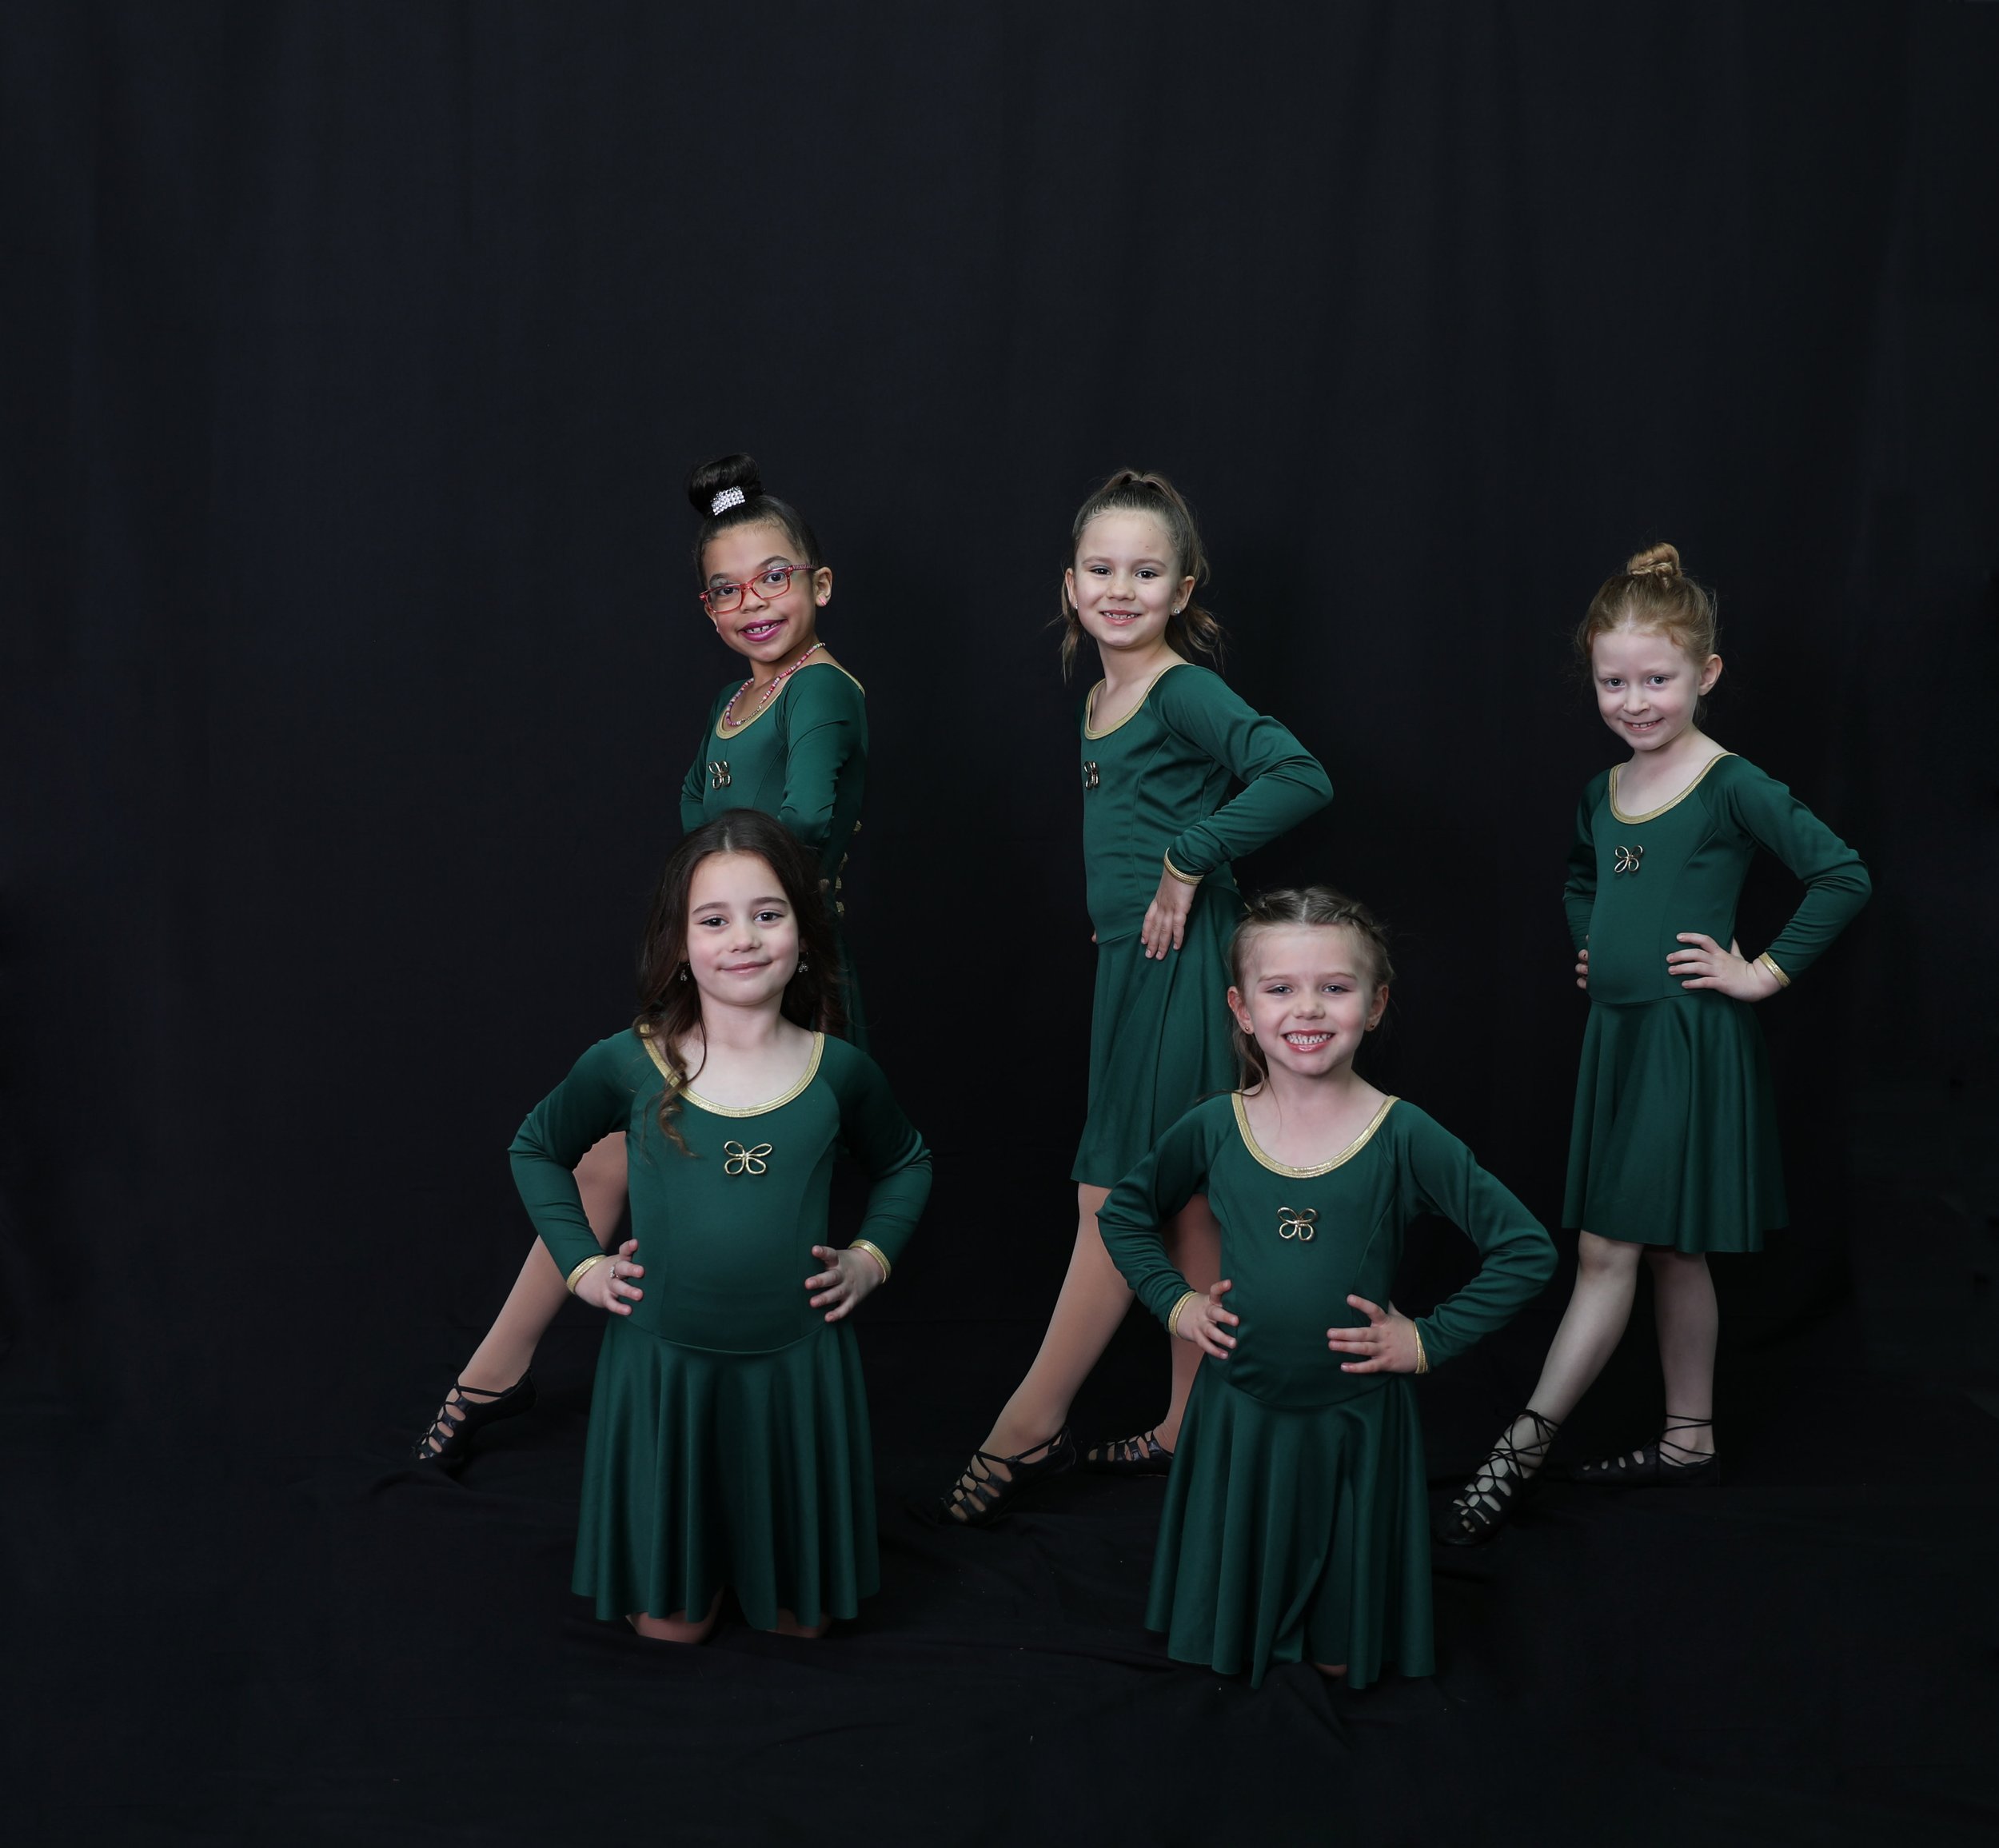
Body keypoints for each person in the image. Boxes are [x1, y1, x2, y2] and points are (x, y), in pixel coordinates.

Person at [413, 454, 868, 1467]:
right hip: (711, 979)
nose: (753, 603)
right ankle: (502, 1366)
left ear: (818, 583)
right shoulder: (737, 700)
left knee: (736, 1195)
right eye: (726, 588)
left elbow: (796, 830)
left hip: (778, 983)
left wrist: (722, 916)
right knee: (611, 1155)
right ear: (705, 605)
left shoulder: (820, 695)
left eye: (775, 578)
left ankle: (755, 1427)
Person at [1444, 544, 1871, 1545]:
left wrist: (1759, 973)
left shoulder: (1729, 784)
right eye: (1613, 681)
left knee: (1607, 1251)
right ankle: (1689, 1441)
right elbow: (1581, 878)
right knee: (1674, 1252)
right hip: (1619, 1041)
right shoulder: (1602, 792)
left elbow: (1840, 874)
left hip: (1687, 1042)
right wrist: (1590, 942)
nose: (1634, 701)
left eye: (1657, 679)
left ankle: (1519, 1449)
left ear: (1706, 675)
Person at [935, 469, 1333, 1524]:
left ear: (1183, 585)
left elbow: (1299, 774)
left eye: (1145, 570)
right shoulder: (1102, 695)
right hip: (1134, 960)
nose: (1121, 587)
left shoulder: (1181, 687)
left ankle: (1029, 1422)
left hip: (1187, 962)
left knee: (1110, 1199)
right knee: (1191, 1204)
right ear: (1070, 584)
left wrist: (1187, 859)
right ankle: (1190, 1422)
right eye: (1102, 569)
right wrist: (1116, 909)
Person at [1097, 888, 1554, 1686]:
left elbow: (1524, 1248)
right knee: (1226, 1649)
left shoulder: (1403, 1133)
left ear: (1375, 1005)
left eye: (1334, 987)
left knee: (1342, 1652)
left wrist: (1426, 1337)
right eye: (1279, 988)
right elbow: (1125, 1216)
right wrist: (1177, 1303)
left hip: (1352, 1425)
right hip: (1239, 1413)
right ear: (1240, 1008)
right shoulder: (1211, 1126)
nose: (1306, 1008)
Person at [508, 810, 930, 1640]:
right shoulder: (629, 1062)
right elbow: (536, 1148)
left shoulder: (837, 1070)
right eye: (715, 919)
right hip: (667, 1372)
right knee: (671, 1630)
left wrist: (872, 1258)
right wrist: (581, 1266)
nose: (743, 937)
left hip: (795, 1374)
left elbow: (906, 1161)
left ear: (804, 935)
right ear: (679, 944)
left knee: (797, 1624)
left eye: (767, 914)